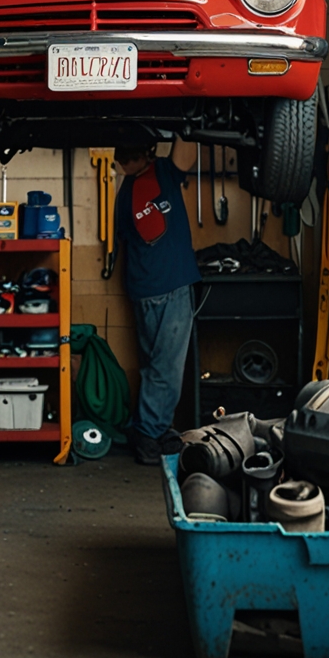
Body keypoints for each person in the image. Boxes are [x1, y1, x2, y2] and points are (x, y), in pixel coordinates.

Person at [114, 139, 200, 465]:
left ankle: (156, 427)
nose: (122, 164)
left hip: (144, 286)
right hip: (167, 285)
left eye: (125, 159)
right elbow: (185, 154)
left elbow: (184, 152)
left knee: (155, 366)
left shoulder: (132, 187)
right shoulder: (155, 174)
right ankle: (149, 435)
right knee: (166, 368)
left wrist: (186, 126)